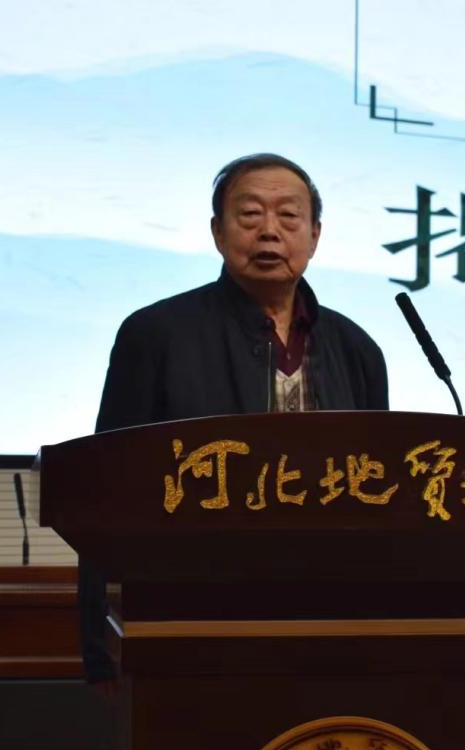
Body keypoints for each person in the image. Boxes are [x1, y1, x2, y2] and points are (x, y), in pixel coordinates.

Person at [79, 153, 389, 684]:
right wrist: (102, 646)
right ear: (217, 232)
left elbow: (378, 500)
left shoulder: (356, 348)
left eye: (289, 216)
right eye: (249, 215)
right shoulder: (156, 335)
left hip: (328, 624)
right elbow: (105, 491)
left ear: (314, 235)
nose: (270, 231)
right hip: (191, 625)